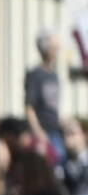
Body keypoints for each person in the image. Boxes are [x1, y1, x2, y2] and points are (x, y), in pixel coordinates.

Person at [24, 30, 67, 166]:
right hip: (43, 131)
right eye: (54, 48)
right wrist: (38, 133)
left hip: (55, 130)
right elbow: (29, 106)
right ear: (45, 49)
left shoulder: (54, 75)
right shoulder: (35, 75)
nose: (57, 51)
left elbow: (53, 107)